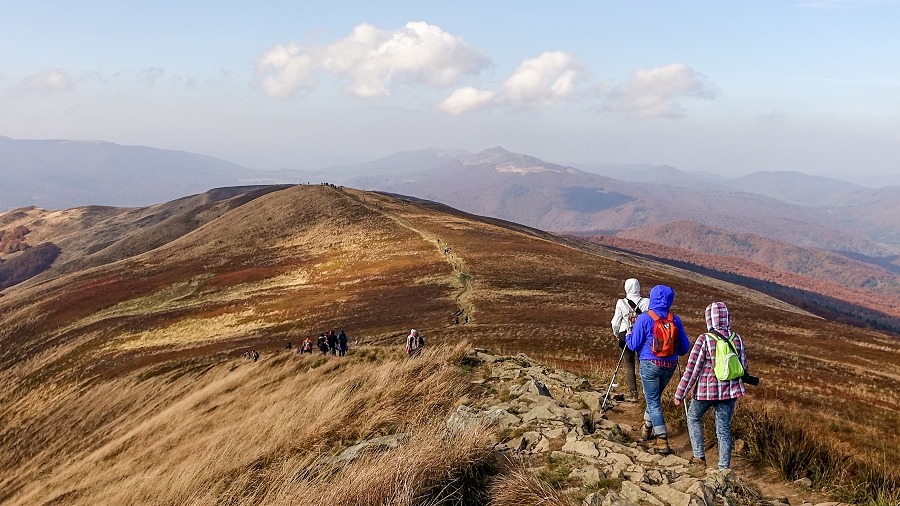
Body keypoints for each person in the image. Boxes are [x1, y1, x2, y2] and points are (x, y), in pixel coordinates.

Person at [674, 302, 748, 469]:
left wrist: (680, 394)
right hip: (730, 392)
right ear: (727, 317)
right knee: (723, 429)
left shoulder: (704, 339)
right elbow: (743, 368)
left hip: (706, 392)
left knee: (693, 417)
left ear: (709, 318)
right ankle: (723, 469)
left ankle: (699, 458)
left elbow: (692, 370)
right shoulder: (736, 339)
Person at [626, 285, 690, 455]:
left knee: (653, 401)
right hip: (669, 366)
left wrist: (628, 334)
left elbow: (633, 345)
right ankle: (647, 428)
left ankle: (662, 441)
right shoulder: (675, 320)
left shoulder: (644, 319)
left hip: (649, 364)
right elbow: (684, 348)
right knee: (653, 397)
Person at [610, 278, 649, 402]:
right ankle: (647, 393)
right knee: (643, 364)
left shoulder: (621, 303)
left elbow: (615, 322)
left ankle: (633, 393)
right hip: (642, 336)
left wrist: (617, 334)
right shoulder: (647, 302)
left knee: (629, 365)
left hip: (625, 335)